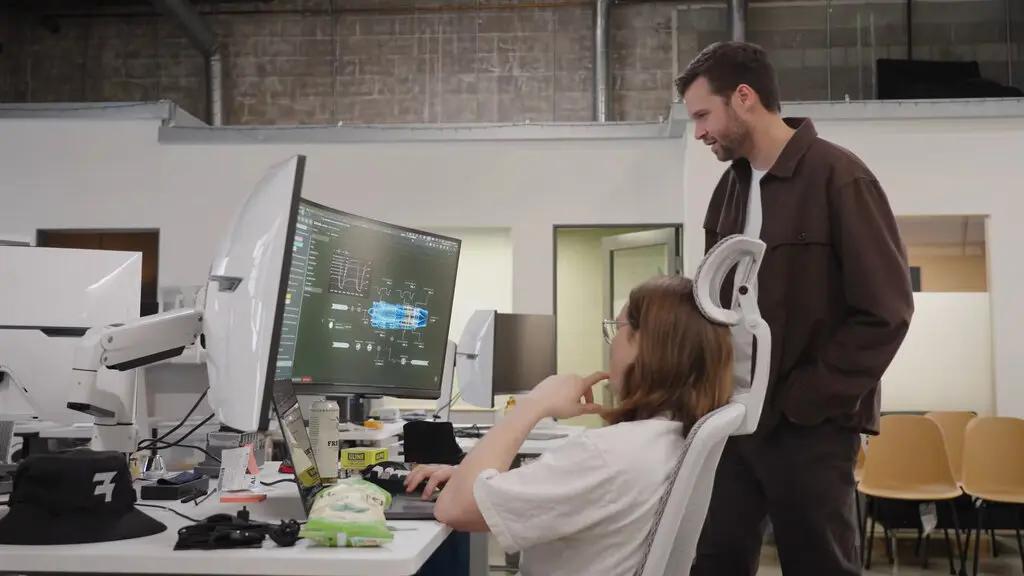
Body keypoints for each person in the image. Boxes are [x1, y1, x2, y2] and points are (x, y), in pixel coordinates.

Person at [676, 41, 914, 575]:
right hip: (732, 420)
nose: (699, 133)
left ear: (744, 97)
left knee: (818, 566)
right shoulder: (729, 190)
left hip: (809, 426)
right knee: (713, 561)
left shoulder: (840, 177)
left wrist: (808, 400)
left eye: (702, 116)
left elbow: (886, 311)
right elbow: (716, 304)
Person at [403, 275, 733, 576]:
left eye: (616, 329)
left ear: (646, 345)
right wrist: (468, 476)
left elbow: (455, 508)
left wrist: (535, 403)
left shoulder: (609, 455)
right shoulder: (671, 440)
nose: (611, 344)